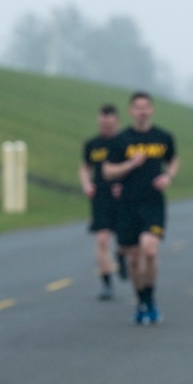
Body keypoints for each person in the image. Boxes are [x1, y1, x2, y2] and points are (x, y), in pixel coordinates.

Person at [102, 91, 179, 325]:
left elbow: (173, 160)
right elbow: (107, 172)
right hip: (127, 204)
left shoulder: (163, 137)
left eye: (146, 107)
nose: (142, 111)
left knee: (150, 249)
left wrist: (168, 176)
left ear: (152, 110)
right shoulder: (121, 140)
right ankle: (141, 302)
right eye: (138, 107)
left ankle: (151, 299)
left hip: (153, 203)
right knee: (134, 258)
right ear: (131, 111)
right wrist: (130, 164)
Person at [79, 103, 124, 300]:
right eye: (102, 122)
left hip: (123, 197)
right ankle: (107, 284)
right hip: (101, 197)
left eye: (109, 122)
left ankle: (122, 257)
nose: (106, 126)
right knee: (102, 239)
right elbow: (85, 167)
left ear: (117, 121)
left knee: (125, 241)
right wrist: (86, 184)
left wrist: (123, 185)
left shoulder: (125, 142)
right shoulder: (92, 144)